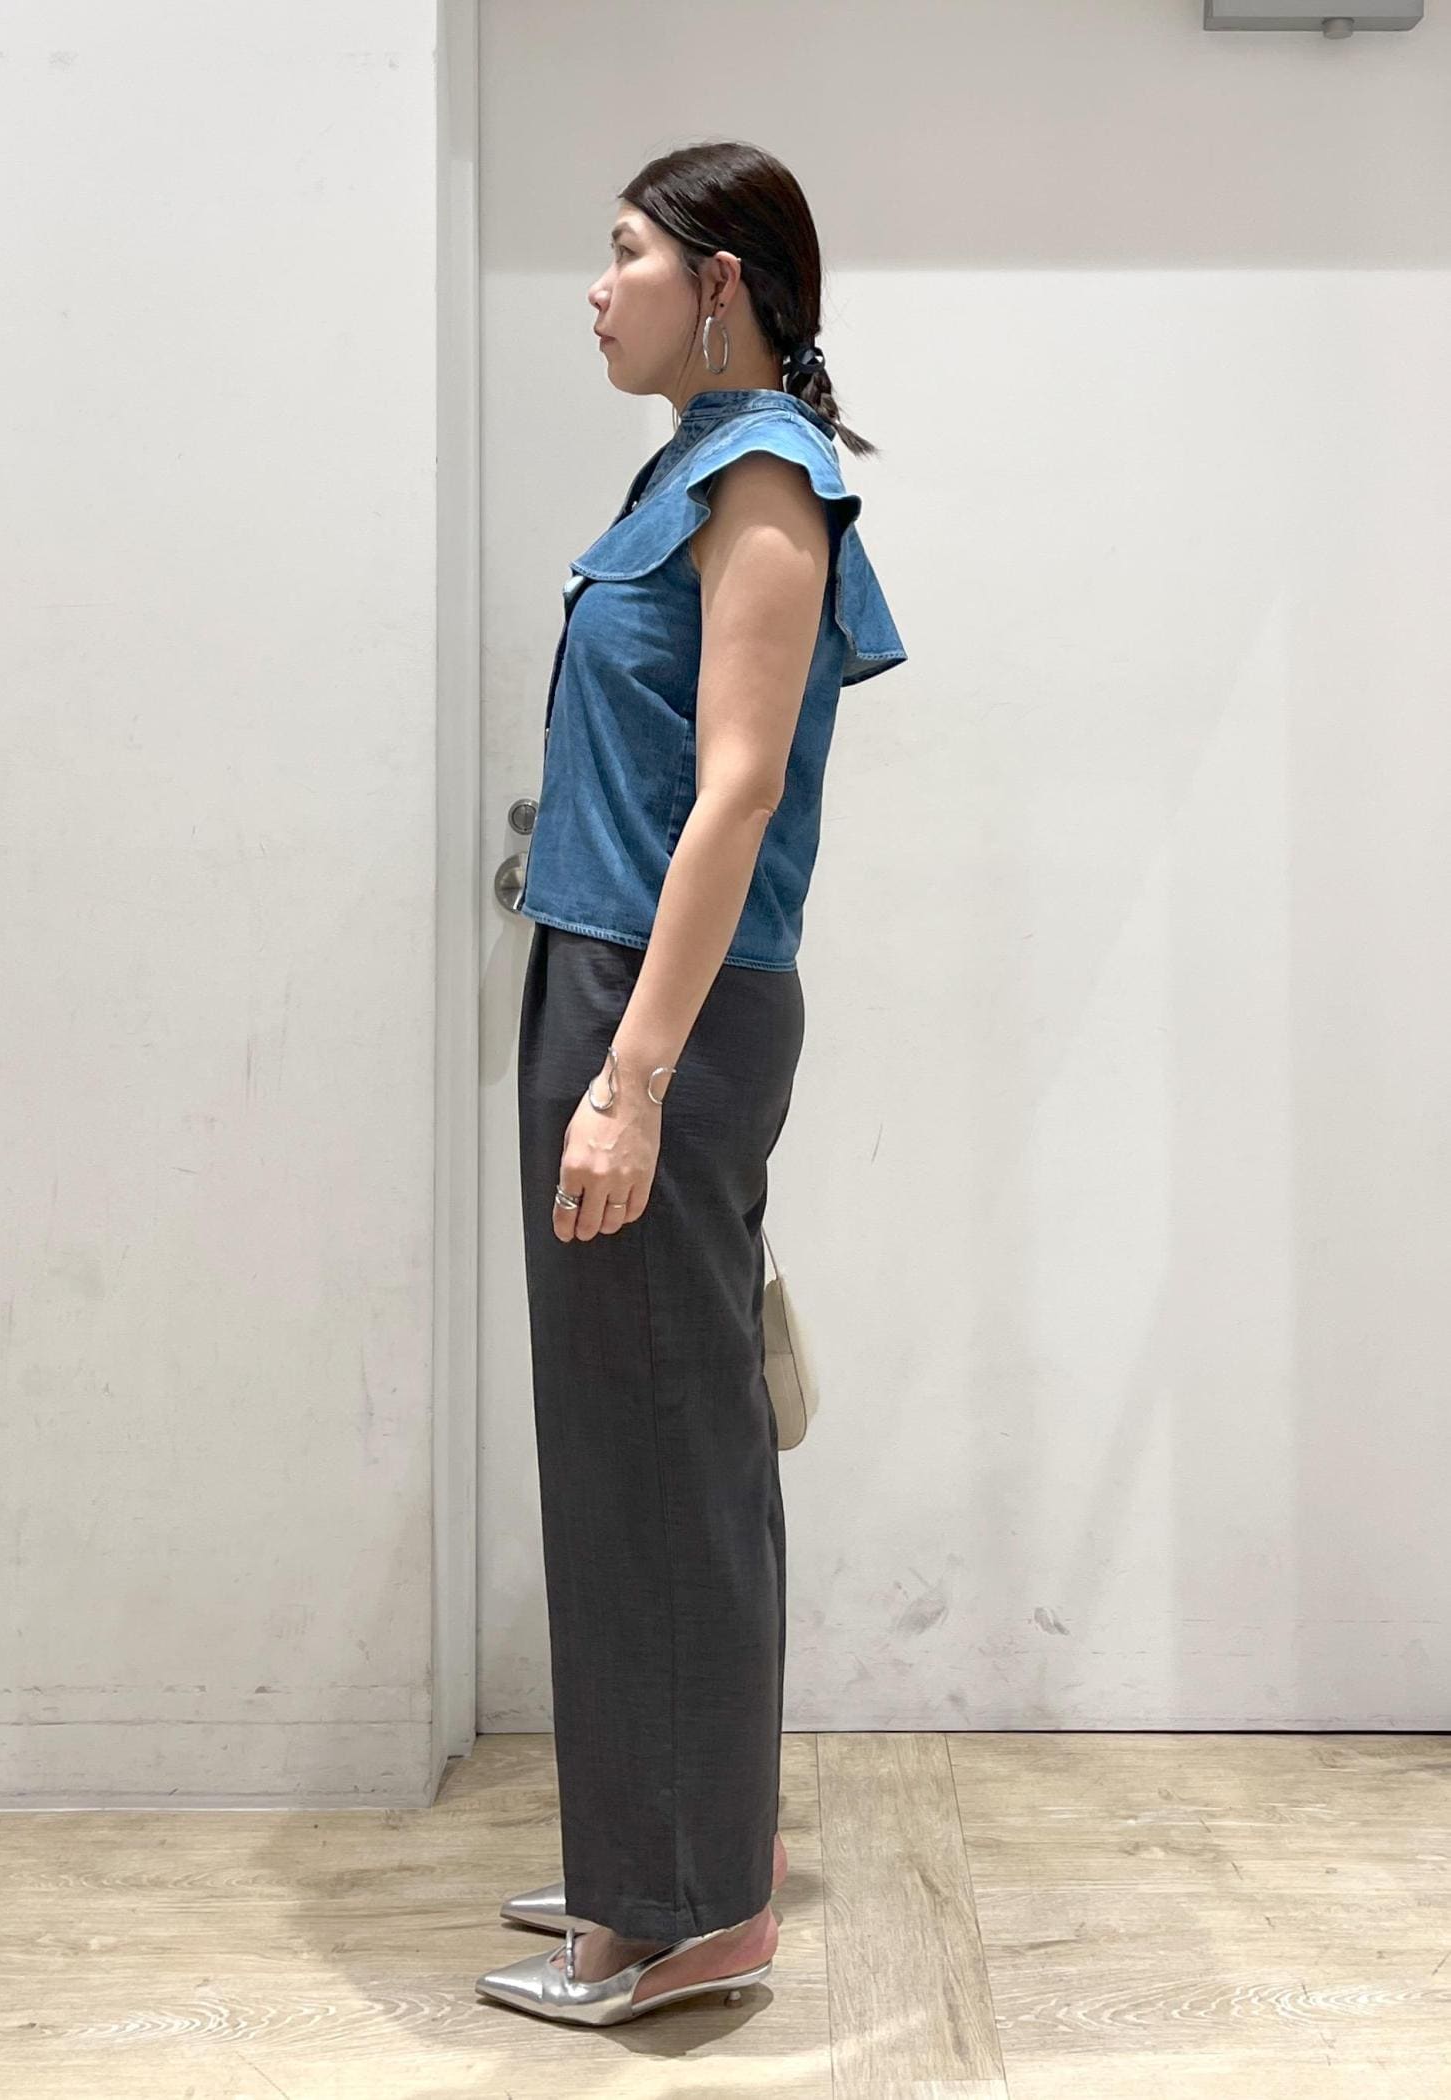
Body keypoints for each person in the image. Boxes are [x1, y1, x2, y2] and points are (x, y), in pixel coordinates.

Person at [475, 139, 908, 2028]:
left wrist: (633, 1079)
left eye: (628, 253)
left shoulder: (766, 485)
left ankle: (693, 1907)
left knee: (663, 1451)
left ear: (720, 283)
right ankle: (649, 1858)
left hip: (669, 1012)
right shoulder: (693, 468)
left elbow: (735, 795)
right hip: (608, 977)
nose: (599, 286)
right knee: (625, 1444)